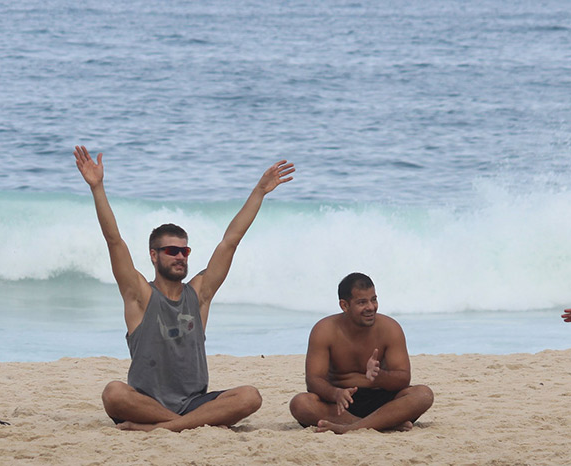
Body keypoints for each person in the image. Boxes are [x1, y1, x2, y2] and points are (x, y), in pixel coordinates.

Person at [73, 145, 294, 432]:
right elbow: (114, 240)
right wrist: (97, 188)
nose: (179, 256)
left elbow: (230, 241)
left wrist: (259, 192)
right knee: (113, 393)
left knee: (250, 396)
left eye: (184, 251)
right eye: (171, 250)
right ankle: (183, 425)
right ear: (154, 255)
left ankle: (160, 428)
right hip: (145, 402)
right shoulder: (140, 296)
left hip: (193, 403)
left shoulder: (199, 294)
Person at [289, 272, 433, 434]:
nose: (371, 307)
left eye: (374, 299)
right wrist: (335, 393)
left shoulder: (390, 328)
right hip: (342, 405)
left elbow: (403, 380)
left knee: (423, 394)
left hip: (383, 402)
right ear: (344, 305)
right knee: (300, 403)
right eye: (362, 302)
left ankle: (351, 428)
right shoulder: (325, 330)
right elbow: (313, 380)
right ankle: (382, 425)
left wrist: (379, 376)